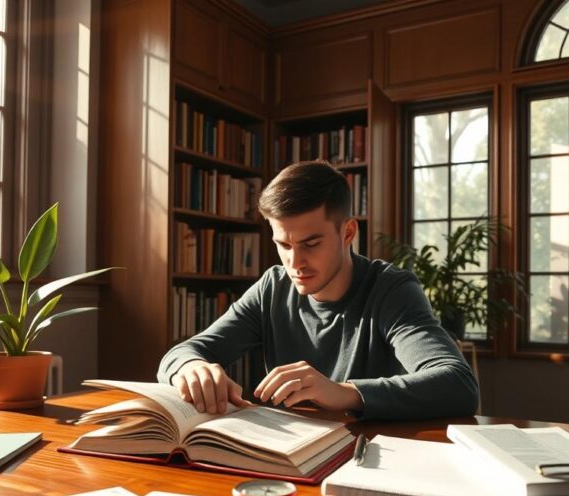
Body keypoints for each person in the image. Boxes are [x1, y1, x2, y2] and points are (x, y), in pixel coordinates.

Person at [156, 160, 479, 420]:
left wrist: (345, 393)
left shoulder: (391, 290)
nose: (295, 262)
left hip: (369, 458)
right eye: (283, 244)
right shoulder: (273, 287)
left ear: (348, 231)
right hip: (287, 459)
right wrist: (192, 368)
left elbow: (458, 385)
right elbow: (180, 354)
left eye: (311, 243)